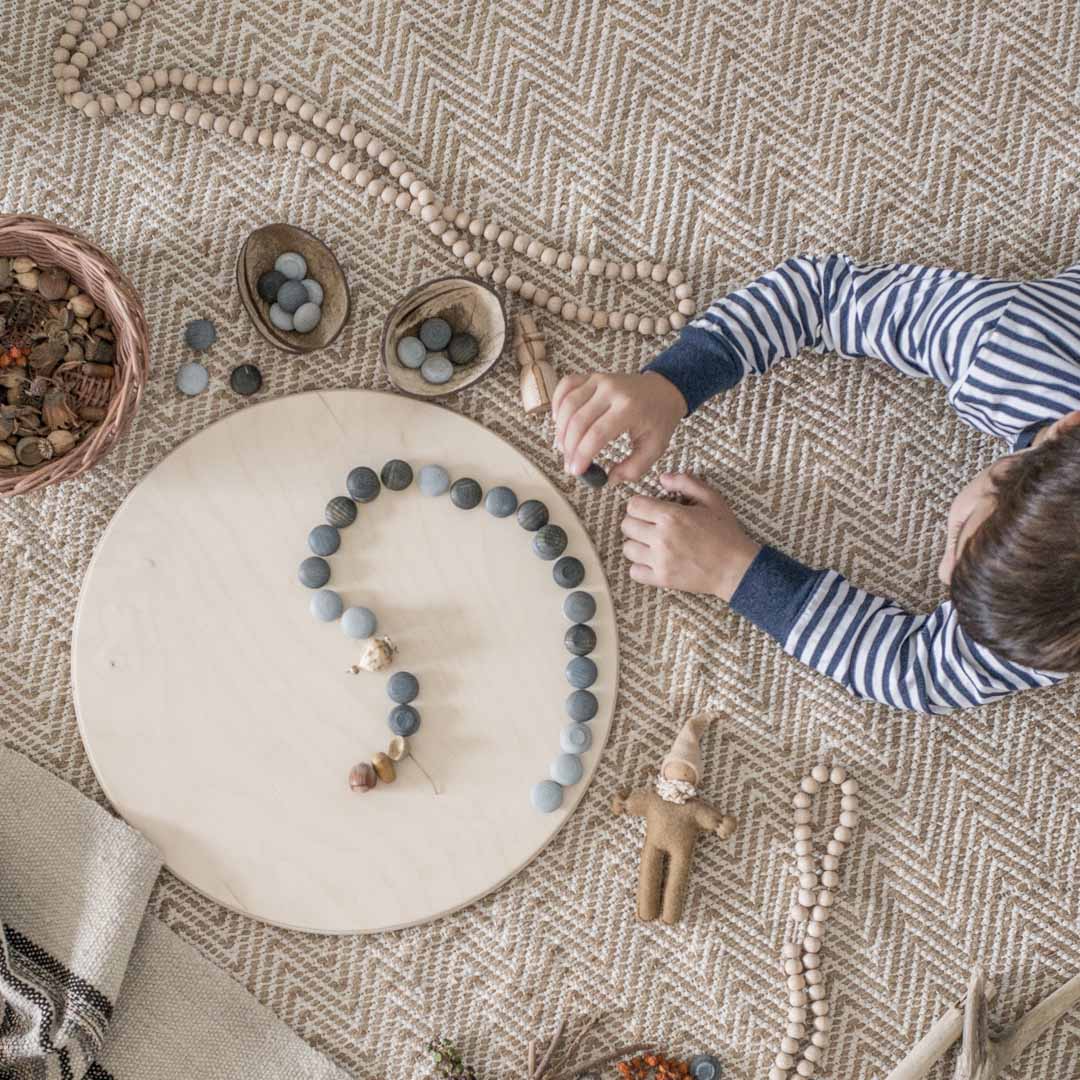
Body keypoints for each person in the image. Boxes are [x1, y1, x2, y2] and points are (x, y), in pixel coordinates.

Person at [552, 254, 1080, 713]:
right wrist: (671, 382)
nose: (942, 572)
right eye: (962, 531)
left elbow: (920, 671)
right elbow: (823, 295)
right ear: (1064, 427)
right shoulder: (1014, 346)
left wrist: (735, 571)